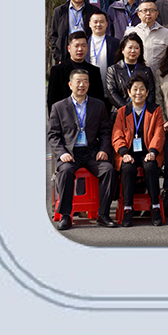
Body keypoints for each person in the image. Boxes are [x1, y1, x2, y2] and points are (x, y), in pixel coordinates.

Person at [49, 68, 115, 230]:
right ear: (70, 84)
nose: (81, 85)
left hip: (91, 152)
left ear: (89, 84)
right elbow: (53, 135)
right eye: (78, 81)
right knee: (65, 172)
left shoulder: (98, 105)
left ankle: (103, 214)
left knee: (108, 170)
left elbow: (105, 131)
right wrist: (62, 153)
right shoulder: (59, 107)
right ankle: (66, 215)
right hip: (70, 153)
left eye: (85, 81)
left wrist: (103, 149)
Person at [111, 75, 167, 226]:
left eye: (142, 89)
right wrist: (124, 153)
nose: (138, 92)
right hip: (128, 153)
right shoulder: (122, 111)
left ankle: (155, 207)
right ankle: (128, 209)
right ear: (129, 92)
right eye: (135, 89)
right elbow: (117, 135)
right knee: (127, 168)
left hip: (149, 152)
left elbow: (159, 133)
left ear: (147, 92)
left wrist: (153, 152)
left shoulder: (155, 110)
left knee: (150, 166)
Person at [49, 0, 101, 65]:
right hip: (65, 57)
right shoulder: (60, 11)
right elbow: (54, 36)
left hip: (88, 57)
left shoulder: (93, 11)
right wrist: (58, 57)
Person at [47, 31, 107, 106]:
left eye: (83, 46)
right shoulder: (58, 70)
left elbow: (99, 100)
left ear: (87, 48)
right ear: (69, 48)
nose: (80, 49)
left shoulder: (94, 71)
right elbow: (52, 100)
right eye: (76, 46)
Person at [106, 34, 155, 112]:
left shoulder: (146, 70)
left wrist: (142, 109)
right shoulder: (113, 70)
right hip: (120, 112)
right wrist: (128, 109)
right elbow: (112, 92)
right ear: (122, 50)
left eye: (136, 48)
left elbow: (151, 92)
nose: (133, 51)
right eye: (130, 47)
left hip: (142, 112)